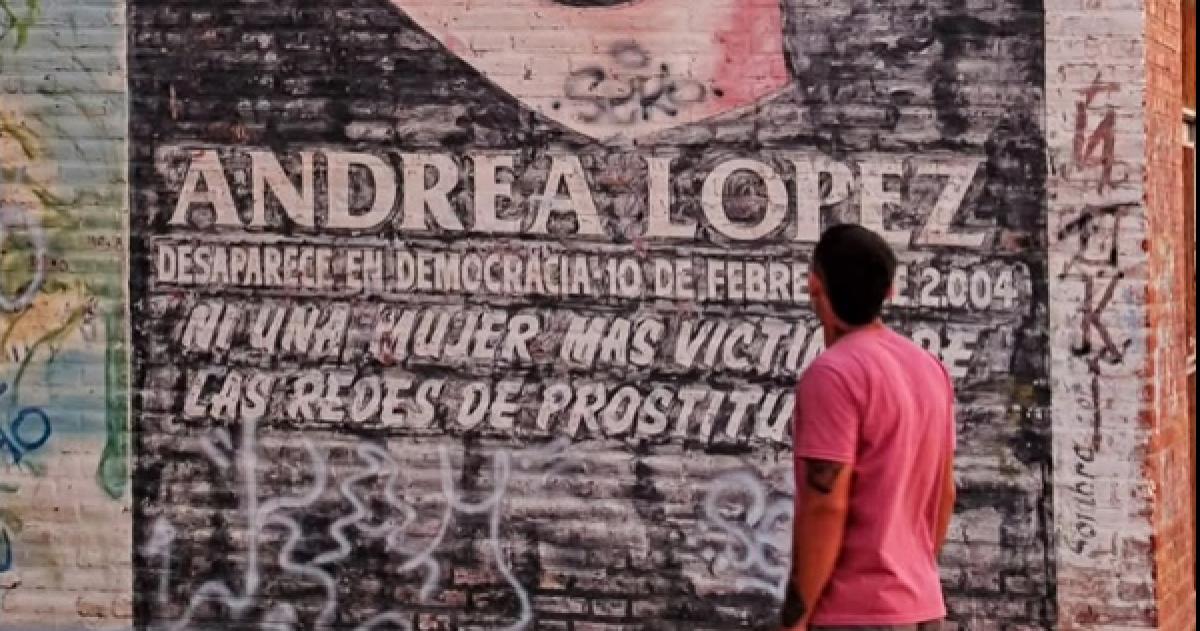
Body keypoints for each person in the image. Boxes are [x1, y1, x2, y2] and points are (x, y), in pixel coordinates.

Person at [781, 224, 957, 631]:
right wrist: (911, 571)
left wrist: (796, 618)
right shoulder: (930, 369)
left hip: (854, 612)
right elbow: (945, 492)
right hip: (924, 607)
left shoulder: (832, 375)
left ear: (814, 287)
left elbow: (826, 504)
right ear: (889, 292)